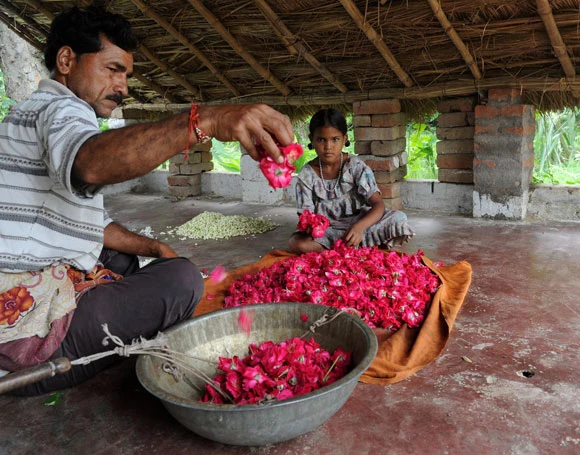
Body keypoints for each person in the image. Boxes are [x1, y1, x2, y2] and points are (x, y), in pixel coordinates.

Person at [0, 6, 294, 396]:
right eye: (112, 69)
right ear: (67, 60)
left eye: (126, 75)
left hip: (27, 279)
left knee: (127, 259)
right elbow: (88, 164)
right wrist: (204, 121)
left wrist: (154, 246)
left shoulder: (32, 111)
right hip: (20, 325)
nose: (122, 87)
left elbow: (89, 224)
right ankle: (40, 366)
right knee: (183, 281)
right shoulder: (60, 109)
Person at [289, 108, 416, 254]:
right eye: (321, 139)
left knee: (398, 218)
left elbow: (378, 205)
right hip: (327, 231)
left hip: (358, 223)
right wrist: (311, 226)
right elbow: (305, 215)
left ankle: (347, 243)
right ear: (311, 139)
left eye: (335, 139)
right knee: (296, 243)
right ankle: (354, 245)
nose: (328, 147)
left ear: (344, 139)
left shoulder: (354, 167)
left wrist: (359, 227)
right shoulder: (307, 175)